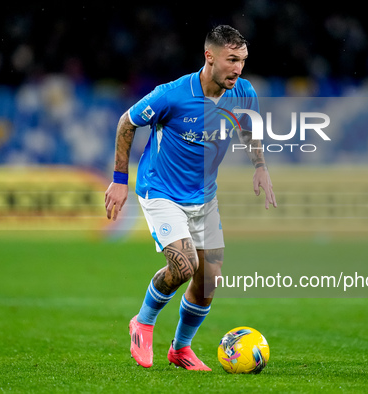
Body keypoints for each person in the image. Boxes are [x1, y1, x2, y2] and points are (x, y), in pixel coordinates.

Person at [104, 25, 276, 371]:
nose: (238, 69)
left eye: (242, 60)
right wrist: (119, 180)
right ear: (209, 56)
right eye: (231, 60)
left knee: (209, 278)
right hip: (161, 192)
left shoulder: (243, 92)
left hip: (204, 197)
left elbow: (247, 128)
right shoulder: (172, 94)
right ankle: (143, 321)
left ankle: (180, 348)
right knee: (184, 266)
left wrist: (260, 166)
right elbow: (127, 122)